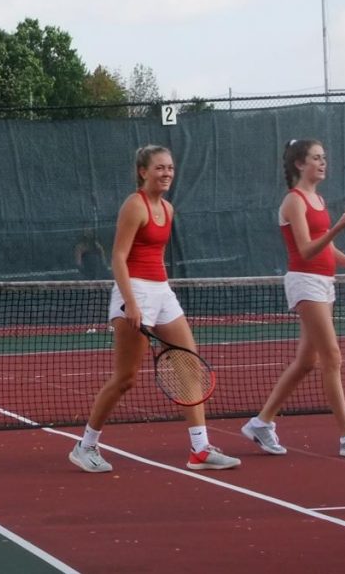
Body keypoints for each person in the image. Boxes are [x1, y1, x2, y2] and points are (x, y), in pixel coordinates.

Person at [69, 145, 241, 472]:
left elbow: (155, 256)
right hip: (133, 291)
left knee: (189, 364)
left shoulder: (169, 209)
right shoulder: (134, 206)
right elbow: (118, 257)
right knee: (126, 378)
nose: (166, 174)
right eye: (159, 168)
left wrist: (160, 294)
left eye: (170, 168)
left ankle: (200, 449)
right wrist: (131, 303)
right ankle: (85, 445)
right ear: (143, 172)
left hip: (161, 291)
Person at [240, 139, 345, 458]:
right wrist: (340, 226)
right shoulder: (293, 201)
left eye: (324, 158)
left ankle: (261, 423)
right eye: (316, 158)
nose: (323, 163)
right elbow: (306, 249)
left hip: (324, 282)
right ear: (299, 164)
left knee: (307, 362)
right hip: (304, 282)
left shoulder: (317, 199)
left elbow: (327, 247)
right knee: (332, 357)